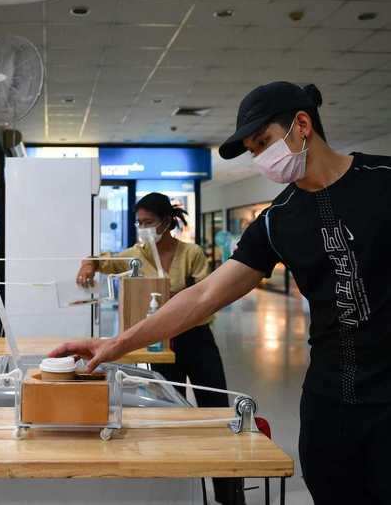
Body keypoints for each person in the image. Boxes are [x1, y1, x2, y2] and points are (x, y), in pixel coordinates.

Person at [52, 81, 391, 504]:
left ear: (302, 124)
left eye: (264, 142)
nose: (261, 158)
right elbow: (204, 296)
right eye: (254, 150)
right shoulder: (277, 221)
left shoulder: (383, 181)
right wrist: (115, 344)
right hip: (330, 404)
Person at [77, 192, 243, 505]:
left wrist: (174, 298)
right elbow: (107, 261)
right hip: (160, 343)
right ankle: (181, 491)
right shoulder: (137, 254)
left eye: (148, 222)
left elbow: (208, 298)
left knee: (217, 412)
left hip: (196, 339)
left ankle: (229, 493)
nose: (143, 229)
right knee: (172, 412)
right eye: (139, 223)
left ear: (166, 222)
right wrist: (89, 264)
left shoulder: (191, 253)